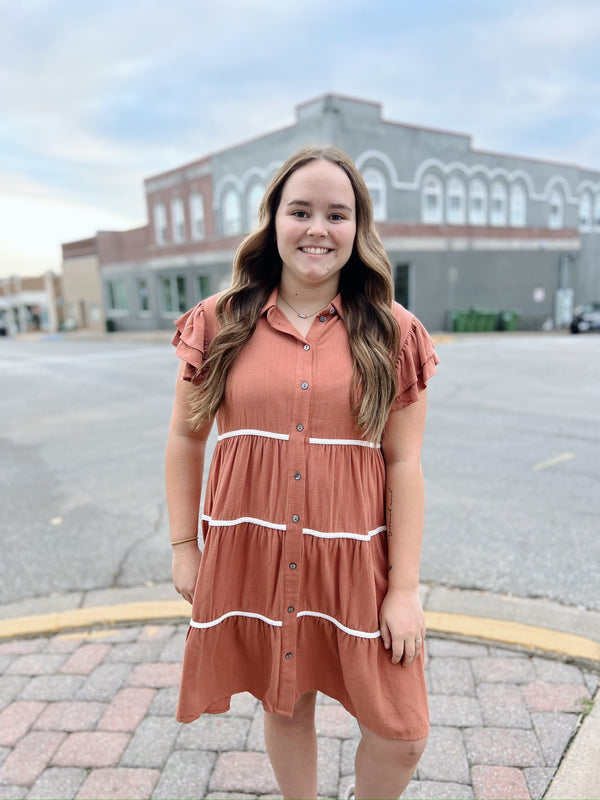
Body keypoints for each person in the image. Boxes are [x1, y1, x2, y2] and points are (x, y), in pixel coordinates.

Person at [165, 145, 439, 800]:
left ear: (357, 228)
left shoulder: (394, 333)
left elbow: (404, 464)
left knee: (403, 734)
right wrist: (184, 547)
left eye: (336, 214)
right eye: (302, 210)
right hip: (256, 552)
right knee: (285, 701)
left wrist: (403, 591)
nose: (318, 229)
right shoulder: (218, 321)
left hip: (357, 564)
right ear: (274, 220)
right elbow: (183, 437)